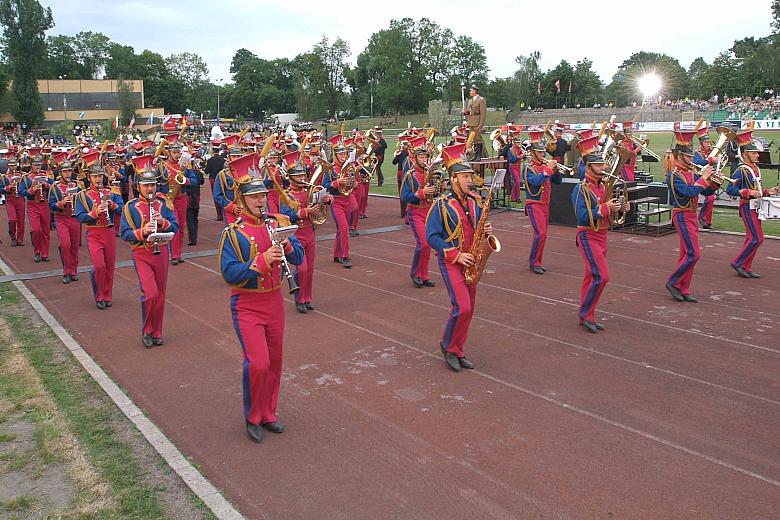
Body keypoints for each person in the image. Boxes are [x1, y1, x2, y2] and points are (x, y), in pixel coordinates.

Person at [218, 169, 304, 443]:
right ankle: (253, 416)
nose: (260, 201)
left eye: (263, 196)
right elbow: (229, 273)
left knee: (275, 361)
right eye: (254, 197)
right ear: (242, 201)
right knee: (258, 362)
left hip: (275, 300)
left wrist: (288, 246)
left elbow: (300, 258)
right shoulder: (232, 234)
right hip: (247, 304)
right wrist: (263, 261)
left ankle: (269, 413)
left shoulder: (278, 222)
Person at [426, 143, 492, 373]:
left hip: (472, 260)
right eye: (465, 176)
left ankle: (458, 349)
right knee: (462, 306)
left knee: (470, 308)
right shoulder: (441, 204)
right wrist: (455, 255)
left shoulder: (474, 201)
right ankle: (447, 345)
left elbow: (476, 228)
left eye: (470, 176)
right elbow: (431, 236)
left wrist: (485, 232)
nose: (469, 180)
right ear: (453, 179)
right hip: (452, 262)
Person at [571, 136, 628, 333]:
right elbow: (583, 217)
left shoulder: (602, 186)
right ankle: (585, 314)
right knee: (601, 276)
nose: (603, 167)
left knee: (591, 276)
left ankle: (589, 315)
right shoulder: (581, 189)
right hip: (588, 236)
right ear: (588, 168)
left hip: (602, 235)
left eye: (602, 163)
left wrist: (620, 207)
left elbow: (607, 211)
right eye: (598, 165)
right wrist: (605, 208)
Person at [120, 156, 179, 348]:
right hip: (142, 253)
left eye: (152, 185)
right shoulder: (130, 207)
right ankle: (147, 330)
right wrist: (142, 231)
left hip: (161, 251)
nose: (150, 189)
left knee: (161, 294)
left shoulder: (164, 204)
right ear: (138, 187)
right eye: (145, 186)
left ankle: (157, 331)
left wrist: (164, 223)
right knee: (151, 293)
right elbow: (125, 233)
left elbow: (176, 226)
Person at [665, 130, 716, 303]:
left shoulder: (691, 171)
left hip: (692, 215)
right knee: (694, 254)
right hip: (681, 214)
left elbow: (705, 190)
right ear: (679, 156)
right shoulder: (673, 175)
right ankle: (673, 282)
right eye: (688, 156)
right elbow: (688, 192)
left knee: (686, 253)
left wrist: (714, 183)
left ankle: (683, 288)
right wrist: (703, 179)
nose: (691, 159)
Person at [279, 151, 331, 313]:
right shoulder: (286, 195)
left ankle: (307, 298)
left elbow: (320, 207)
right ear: (291, 177)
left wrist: (326, 199)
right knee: (301, 268)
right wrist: (304, 212)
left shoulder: (309, 191)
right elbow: (285, 216)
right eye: (299, 176)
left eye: (303, 175)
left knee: (310, 269)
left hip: (310, 232)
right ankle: (299, 299)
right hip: (296, 234)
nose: (303, 179)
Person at [726, 128, 780, 278]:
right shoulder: (741, 170)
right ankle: (738, 263)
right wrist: (747, 192)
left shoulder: (755, 169)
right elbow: (730, 188)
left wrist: (769, 191)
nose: (758, 155)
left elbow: (758, 189)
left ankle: (746, 267)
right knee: (757, 238)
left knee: (752, 238)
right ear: (745, 154)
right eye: (754, 153)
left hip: (756, 208)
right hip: (747, 207)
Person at [75, 165, 124, 310]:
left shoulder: (112, 191)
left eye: (100, 176)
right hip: (94, 232)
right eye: (95, 176)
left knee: (109, 265)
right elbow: (79, 216)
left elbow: (122, 209)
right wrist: (94, 213)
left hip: (109, 233)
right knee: (99, 265)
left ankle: (107, 295)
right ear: (89, 177)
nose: (98, 179)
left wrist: (113, 205)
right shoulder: (83, 195)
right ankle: (99, 295)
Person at [523, 129, 562, 274]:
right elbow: (535, 182)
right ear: (532, 153)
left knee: (542, 234)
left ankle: (536, 261)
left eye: (542, 152)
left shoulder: (544, 167)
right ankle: (534, 262)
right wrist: (547, 170)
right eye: (539, 152)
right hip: (534, 204)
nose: (542, 155)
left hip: (545, 204)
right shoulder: (529, 168)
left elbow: (558, 181)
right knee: (541, 233)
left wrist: (556, 171)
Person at [400, 136, 436, 288]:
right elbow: (404, 197)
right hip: (415, 212)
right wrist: (421, 193)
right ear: (415, 159)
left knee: (429, 244)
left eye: (425, 157)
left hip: (429, 211)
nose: (423, 160)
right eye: (421, 157)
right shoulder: (410, 175)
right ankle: (415, 273)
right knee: (423, 243)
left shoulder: (432, 173)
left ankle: (425, 274)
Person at [157, 142, 198, 265]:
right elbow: (156, 182)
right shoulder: (162, 166)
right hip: (169, 199)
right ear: (169, 152)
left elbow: (195, 180)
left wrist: (185, 180)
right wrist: (160, 195)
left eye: (178, 153)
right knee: (173, 225)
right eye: (174, 152)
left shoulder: (184, 166)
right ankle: (173, 254)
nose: (176, 155)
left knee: (180, 227)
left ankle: (178, 254)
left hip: (182, 198)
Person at [322, 138, 358, 268]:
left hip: (347, 200)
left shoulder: (349, 168)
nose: (344, 157)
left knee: (341, 229)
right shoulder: (330, 169)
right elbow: (324, 187)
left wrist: (353, 184)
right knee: (343, 228)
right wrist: (337, 183)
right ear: (336, 155)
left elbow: (351, 184)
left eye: (345, 154)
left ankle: (337, 254)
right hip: (336, 201)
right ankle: (345, 255)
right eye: (341, 154)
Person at [48, 160, 82, 283]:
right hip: (61, 218)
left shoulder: (77, 186)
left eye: (69, 171)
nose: (68, 174)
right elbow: (51, 205)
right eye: (65, 171)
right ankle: (66, 271)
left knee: (74, 246)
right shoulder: (55, 187)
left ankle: (73, 271)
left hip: (74, 218)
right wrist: (61, 203)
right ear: (60, 173)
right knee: (65, 244)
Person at [18, 155, 53, 262]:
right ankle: (37, 251)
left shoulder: (46, 175)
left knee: (46, 230)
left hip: (45, 205)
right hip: (33, 205)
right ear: (31, 166)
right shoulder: (26, 177)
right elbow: (21, 191)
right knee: (36, 229)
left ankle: (45, 253)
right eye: (35, 165)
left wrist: (46, 185)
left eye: (39, 165)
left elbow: (54, 187)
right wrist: (32, 190)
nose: (37, 167)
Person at [694, 123, 715, 229]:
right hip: (699, 179)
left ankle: (706, 220)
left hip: (710, 179)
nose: (708, 144)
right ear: (701, 144)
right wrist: (708, 160)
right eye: (706, 142)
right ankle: (702, 218)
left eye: (709, 142)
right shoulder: (697, 154)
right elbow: (697, 163)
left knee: (711, 198)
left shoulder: (712, 152)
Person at [0, 156, 25, 246]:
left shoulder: (21, 175)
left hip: (20, 199)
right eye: (11, 165)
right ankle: (13, 236)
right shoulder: (4, 177)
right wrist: (7, 188)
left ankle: (20, 239)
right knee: (13, 219)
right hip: (10, 199)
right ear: (8, 166)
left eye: (14, 165)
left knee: (21, 221)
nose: (13, 167)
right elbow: (1, 189)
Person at [185, 152, 205, 245]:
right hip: (196, 197)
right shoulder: (198, 172)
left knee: (190, 220)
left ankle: (192, 239)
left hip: (188, 197)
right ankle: (194, 238)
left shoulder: (186, 174)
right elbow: (202, 182)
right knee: (195, 218)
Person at [462, 84, 486, 160]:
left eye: (471, 91)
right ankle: (475, 155)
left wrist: (481, 125)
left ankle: (479, 155)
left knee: (478, 139)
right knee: (473, 139)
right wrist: (466, 112)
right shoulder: (470, 100)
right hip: (471, 122)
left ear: (475, 91)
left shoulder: (481, 100)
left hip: (477, 122)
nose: (470, 92)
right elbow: (470, 111)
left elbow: (483, 113)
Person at [205, 143, 227, 221]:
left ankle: (219, 215)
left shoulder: (210, 160)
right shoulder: (223, 160)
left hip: (213, 180)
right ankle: (225, 214)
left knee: (216, 197)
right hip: (222, 179)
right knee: (224, 196)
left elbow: (206, 171)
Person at [392, 138, 412, 218]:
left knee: (402, 192)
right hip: (409, 173)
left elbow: (394, 162)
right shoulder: (410, 153)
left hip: (401, 173)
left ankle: (403, 212)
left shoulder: (401, 153)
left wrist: (397, 155)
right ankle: (407, 211)